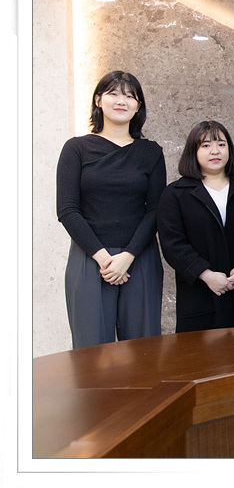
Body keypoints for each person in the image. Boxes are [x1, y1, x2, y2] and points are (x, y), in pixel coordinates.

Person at [56, 71, 166, 349]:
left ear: (138, 106)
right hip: (89, 258)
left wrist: (127, 256)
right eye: (114, 93)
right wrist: (105, 259)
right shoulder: (76, 148)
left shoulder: (151, 152)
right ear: (98, 100)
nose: (121, 101)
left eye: (130, 96)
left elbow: (155, 210)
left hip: (139, 258)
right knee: (90, 353)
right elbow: (67, 210)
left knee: (144, 352)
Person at [157, 120, 234, 333]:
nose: (215, 151)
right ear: (193, 151)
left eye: (221, 144)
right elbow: (172, 243)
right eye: (206, 145)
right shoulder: (176, 194)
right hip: (199, 295)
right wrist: (205, 274)